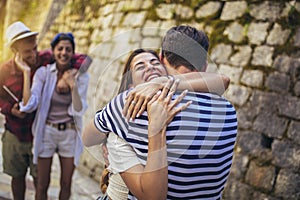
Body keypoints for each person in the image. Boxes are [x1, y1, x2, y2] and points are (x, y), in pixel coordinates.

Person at [84, 25, 237, 200]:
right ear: (204, 65)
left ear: (162, 57)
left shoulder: (133, 103)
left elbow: (88, 138)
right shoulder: (229, 112)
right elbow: (222, 81)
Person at [0, 21, 91, 200]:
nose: (33, 54)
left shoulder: (44, 58)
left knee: (41, 181)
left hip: (39, 133)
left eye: (35, 48)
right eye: (28, 52)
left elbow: (83, 58)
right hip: (17, 132)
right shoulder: (5, 71)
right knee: (18, 177)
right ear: (15, 52)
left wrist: (72, 77)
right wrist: (10, 109)